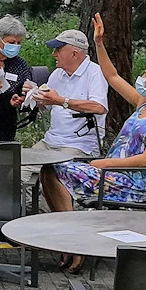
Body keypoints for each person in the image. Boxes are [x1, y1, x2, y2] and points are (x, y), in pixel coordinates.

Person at [40, 14, 146, 273]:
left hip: (131, 182)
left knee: (56, 169)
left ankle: (74, 243)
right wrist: (99, 43)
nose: (142, 77)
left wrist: (106, 163)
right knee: (50, 168)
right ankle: (70, 239)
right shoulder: (143, 104)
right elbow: (112, 76)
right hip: (111, 173)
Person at [20, 29, 109, 202]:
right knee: (18, 169)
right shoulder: (57, 74)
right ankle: (28, 210)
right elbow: (47, 103)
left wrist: (61, 101)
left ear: (74, 53)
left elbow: (99, 107)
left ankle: (49, 212)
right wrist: (32, 96)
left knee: (54, 175)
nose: (54, 54)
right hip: (50, 141)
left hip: (79, 145)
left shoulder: (95, 73)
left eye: (58, 49)